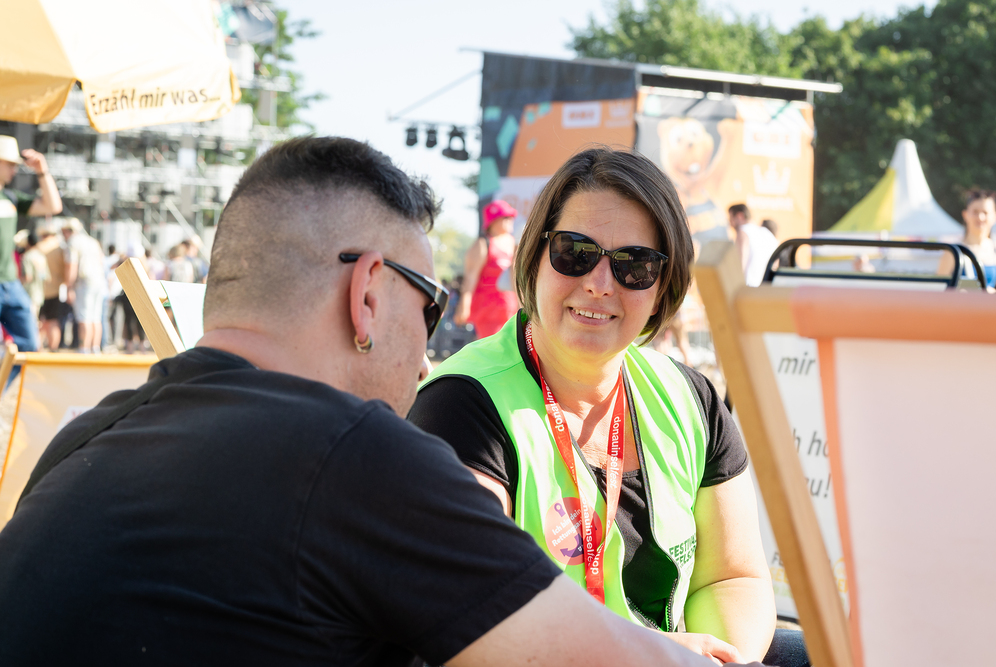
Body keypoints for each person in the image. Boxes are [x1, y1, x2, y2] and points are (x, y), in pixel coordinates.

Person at [0, 137, 750, 667]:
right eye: (428, 305)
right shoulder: (354, 455)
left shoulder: (83, 439)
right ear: (366, 294)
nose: (428, 356)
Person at [411, 148, 802, 666]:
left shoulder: (692, 397)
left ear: (663, 287)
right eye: (575, 253)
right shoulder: (461, 404)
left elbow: (730, 576)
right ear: (535, 257)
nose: (599, 283)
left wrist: (721, 660)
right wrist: (649, 656)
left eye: (634, 265)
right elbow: (473, 612)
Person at [0, 134, 61, 354]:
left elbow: (53, 206)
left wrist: (42, 171)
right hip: (10, 283)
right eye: (10, 164)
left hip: (10, 282)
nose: (15, 170)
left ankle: (8, 377)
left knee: (29, 345)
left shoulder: (11, 198)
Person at [452, 200, 519, 338]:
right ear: (493, 220)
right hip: (488, 312)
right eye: (506, 217)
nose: (511, 220)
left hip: (510, 309)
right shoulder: (483, 244)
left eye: (511, 216)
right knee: (493, 348)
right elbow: (470, 278)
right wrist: (463, 306)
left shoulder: (513, 243)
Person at [61, 217, 108, 353]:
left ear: (68, 231)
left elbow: (72, 266)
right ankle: (95, 348)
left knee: (84, 317)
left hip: (84, 282)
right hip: (99, 281)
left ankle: (84, 348)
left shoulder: (72, 242)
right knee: (96, 318)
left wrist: (69, 287)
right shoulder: (92, 241)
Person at [937, 189, 996, 289]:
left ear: (995, 217)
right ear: (965, 214)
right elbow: (939, 288)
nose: (980, 217)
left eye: (985, 212)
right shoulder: (953, 251)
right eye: (975, 212)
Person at [35, 220, 70, 351]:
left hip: (39, 290)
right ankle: (53, 348)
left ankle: (38, 348)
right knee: (54, 320)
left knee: (39, 321)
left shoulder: (38, 248)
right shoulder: (60, 249)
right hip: (56, 289)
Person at [728, 204, 778, 287]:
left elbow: (740, 263)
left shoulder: (743, 232)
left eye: (730, 218)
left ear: (740, 216)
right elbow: (775, 266)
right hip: (765, 289)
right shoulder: (768, 234)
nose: (729, 222)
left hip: (747, 288)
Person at [18, 230, 49, 320]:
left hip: (29, 294)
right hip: (39, 293)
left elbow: (28, 277)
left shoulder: (27, 257)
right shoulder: (41, 256)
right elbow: (46, 277)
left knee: (30, 321)